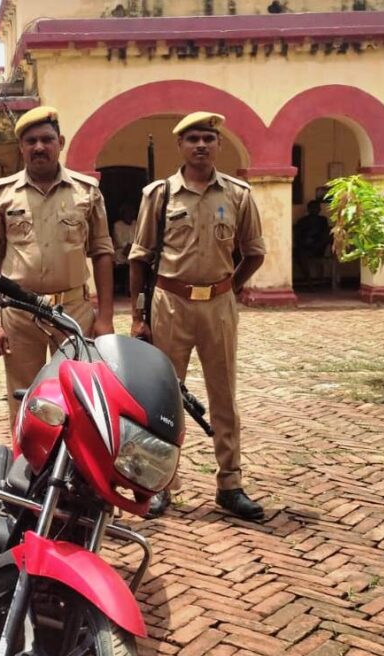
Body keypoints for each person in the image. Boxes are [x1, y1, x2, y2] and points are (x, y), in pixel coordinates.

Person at [128, 111, 267, 520]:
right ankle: (160, 484)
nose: (201, 145)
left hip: (218, 306)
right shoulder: (159, 195)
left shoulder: (238, 194)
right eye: (192, 139)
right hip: (170, 303)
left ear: (219, 144)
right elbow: (139, 259)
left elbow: (254, 252)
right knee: (164, 398)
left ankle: (230, 484)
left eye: (208, 138)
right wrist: (139, 316)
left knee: (224, 397)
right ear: (181, 146)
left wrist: (230, 288)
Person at [0, 106, 115, 425]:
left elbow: (102, 253)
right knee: (25, 398)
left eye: (46, 139)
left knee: (78, 397)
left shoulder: (87, 191)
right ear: (21, 147)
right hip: (20, 313)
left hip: (73, 311)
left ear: (60, 143)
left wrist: (106, 317)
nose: (39, 147)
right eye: (31, 141)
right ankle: (26, 456)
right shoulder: (2, 193)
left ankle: (73, 458)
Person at [293, 199, 333, 284]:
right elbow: (298, 236)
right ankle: (308, 280)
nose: (315, 210)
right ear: (308, 209)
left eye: (317, 208)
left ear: (319, 209)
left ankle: (310, 281)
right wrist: (305, 240)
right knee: (299, 253)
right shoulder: (302, 221)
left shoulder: (322, 220)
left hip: (318, 247)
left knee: (327, 237)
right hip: (305, 247)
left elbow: (325, 234)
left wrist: (315, 241)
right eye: (312, 208)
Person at [112, 201, 137, 295]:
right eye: (127, 213)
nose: (129, 215)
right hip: (121, 251)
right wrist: (130, 246)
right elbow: (119, 242)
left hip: (134, 250)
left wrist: (133, 246)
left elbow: (139, 238)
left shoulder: (136, 224)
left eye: (131, 213)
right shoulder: (117, 225)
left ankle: (134, 288)